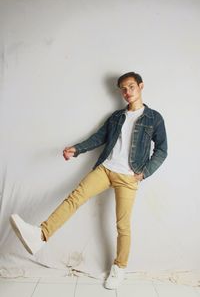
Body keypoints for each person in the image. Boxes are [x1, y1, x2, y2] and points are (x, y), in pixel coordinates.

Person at [10, 71, 168, 290]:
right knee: (74, 198)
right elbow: (99, 138)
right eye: (123, 88)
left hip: (129, 176)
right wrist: (76, 150)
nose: (127, 92)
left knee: (122, 225)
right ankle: (41, 234)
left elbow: (162, 149)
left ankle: (119, 268)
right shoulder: (116, 117)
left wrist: (144, 172)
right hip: (105, 169)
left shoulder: (154, 118)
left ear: (141, 86)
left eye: (131, 86)